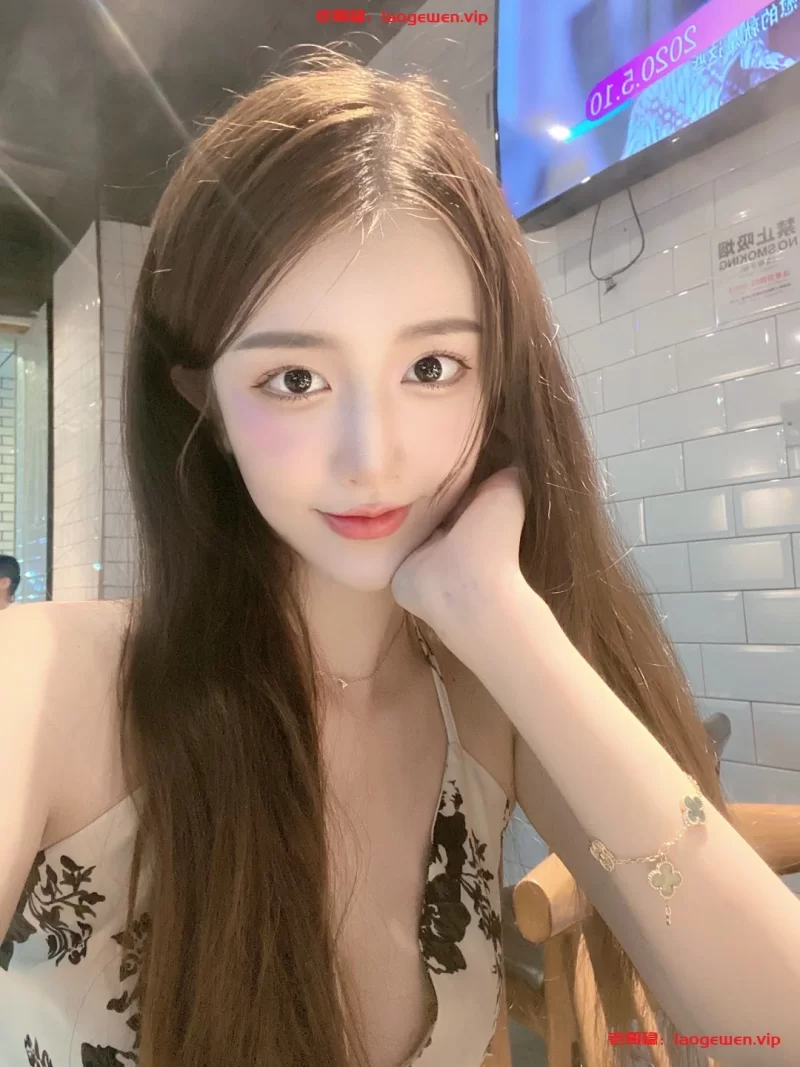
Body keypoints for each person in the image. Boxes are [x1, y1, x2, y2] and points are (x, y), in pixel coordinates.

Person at [1, 53, 797, 1067]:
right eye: (295, 378)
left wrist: (505, 620)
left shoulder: (483, 705)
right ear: (205, 403)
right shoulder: (49, 686)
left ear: (496, 384)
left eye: (430, 366)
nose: (371, 455)